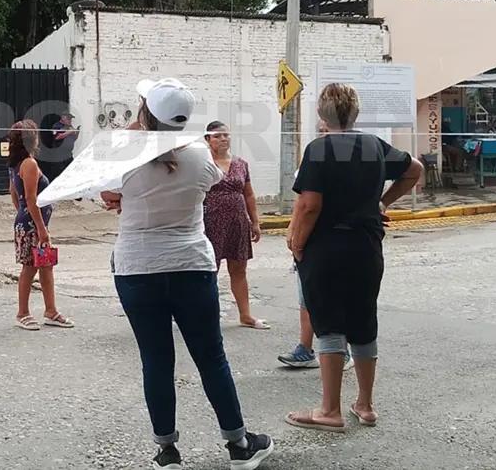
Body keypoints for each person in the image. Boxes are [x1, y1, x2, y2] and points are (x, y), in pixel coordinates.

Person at [103, 79, 275, 470]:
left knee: (156, 360)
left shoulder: (124, 152)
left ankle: (167, 452)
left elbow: (108, 195)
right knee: (211, 357)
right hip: (191, 265)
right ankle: (238, 445)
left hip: (137, 268)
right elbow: (206, 181)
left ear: (145, 113)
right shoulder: (201, 154)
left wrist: (135, 133)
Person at [285, 83, 422, 433]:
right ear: (356, 112)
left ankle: (330, 410)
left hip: (327, 247)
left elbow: (309, 205)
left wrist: (296, 241)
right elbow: (415, 169)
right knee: (363, 321)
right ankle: (365, 404)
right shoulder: (374, 146)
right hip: (366, 245)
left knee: (329, 323)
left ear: (321, 115)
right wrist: (383, 202)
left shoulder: (318, 149)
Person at [279, 118, 353, 371]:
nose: (324, 133)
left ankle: (341, 350)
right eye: (320, 130)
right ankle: (305, 347)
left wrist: (298, 242)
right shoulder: (312, 158)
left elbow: (311, 206)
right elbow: (301, 204)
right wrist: (293, 233)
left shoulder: (349, 161)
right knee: (307, 297)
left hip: (328, 241)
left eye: (327, 129)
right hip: (312, 241)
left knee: (334, 298)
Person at [8, 119, 73, 331]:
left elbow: (14, 195)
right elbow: (30, 198)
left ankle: (50, 310)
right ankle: (22, 313)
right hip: (34, 225)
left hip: (30, 222)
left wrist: (23, 213)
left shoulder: (16, 164)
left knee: (45, 265)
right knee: (30, 267)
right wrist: (40, 228)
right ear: (31, 139)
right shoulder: (29, 164)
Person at [202, 120, 268, 330]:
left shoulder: (241, 164)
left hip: (238, 221)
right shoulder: (203, 163)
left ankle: (245, 315)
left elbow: (248, 193)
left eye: (226, 135)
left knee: (239, 269)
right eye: (217, 136)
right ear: (207, 140)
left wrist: (255, 222)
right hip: (210, 221)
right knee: (209, 269)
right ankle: (203, 315)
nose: (223, 139)